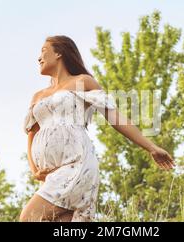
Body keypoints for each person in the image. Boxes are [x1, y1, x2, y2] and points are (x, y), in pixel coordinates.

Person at [19, 35, 175, 222]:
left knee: (29, 218)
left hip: (76, 164)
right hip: (51, 175)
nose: (39, 57)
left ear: (59, 53)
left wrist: (151, 147)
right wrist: (34, 169)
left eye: (44, 51)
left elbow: (115, 117)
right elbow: (32, 134)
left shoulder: (83, 82)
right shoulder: (38, 96)